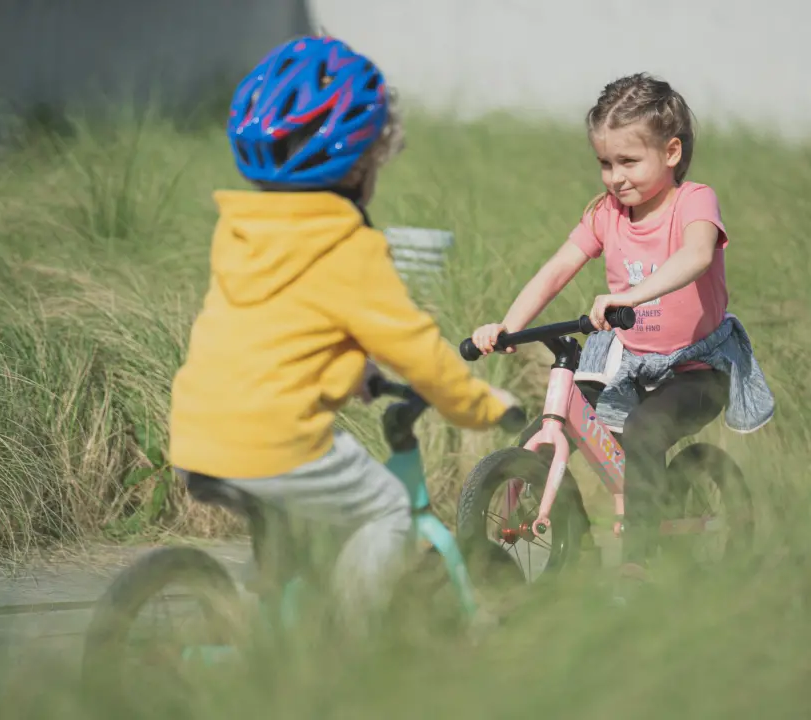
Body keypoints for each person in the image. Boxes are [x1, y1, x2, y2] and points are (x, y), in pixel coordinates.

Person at [168, 35, 518, 636]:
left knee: (291, 551)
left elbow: (282, 329)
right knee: (383, 509)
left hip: (196, 431)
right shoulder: (348, 245)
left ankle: (256, 643)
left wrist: (347, 370)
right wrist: (482, 406)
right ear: (363, 164)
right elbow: (417, 350)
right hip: (276, 440)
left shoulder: (240, 230)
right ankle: (352, 660)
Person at [470, 72, 773, 601]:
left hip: (696, 368)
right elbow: (556, 269)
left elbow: (697, 255)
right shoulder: (607, 214)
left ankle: (639, 562)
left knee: (646, 430)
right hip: (627, 363)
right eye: (605, 163)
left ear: (672, 151)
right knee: (556, 419)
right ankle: (561, 532)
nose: (615, 177)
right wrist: (507, 325)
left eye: (628, 162)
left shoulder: (694, 201)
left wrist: (631, 296)